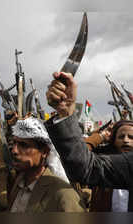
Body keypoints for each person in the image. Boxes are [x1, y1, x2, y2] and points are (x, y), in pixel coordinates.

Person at [45, 71, 133, 211]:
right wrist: (65, 112)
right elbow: (85, 165)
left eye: (131, 137)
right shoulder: (117, 163)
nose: (126, 141)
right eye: (121, 136)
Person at [8, 117, 86, 212]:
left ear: (44, 152)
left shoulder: (63, 194)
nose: (14, 151)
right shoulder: (19, 182)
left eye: (24, 145)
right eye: (14, 143)